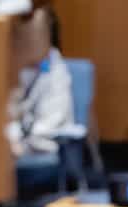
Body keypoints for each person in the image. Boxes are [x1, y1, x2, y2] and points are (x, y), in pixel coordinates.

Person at [6, 7, 79, 159]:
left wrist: (19, 142)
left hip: (44, 149)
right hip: (10, 147)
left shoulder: (54, 68)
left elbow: (51, 123)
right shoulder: (9, 65)